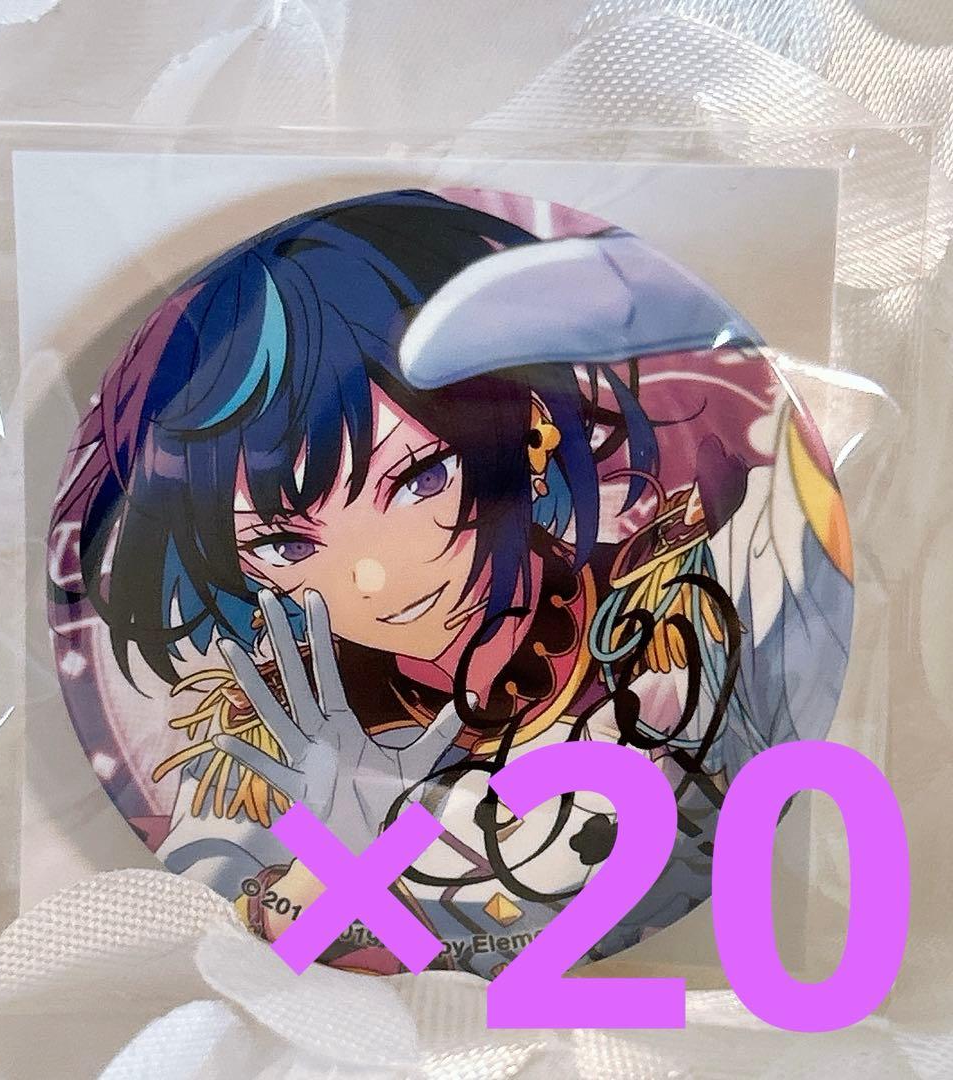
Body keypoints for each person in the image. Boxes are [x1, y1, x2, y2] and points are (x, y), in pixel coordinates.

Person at [51, 190, 853, 976]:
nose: (374, 579)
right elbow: (287, 956)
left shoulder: (705, 595)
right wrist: (340, 851)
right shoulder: (249, 768)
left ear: (534, 428)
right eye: (285, 543)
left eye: (419, 478)